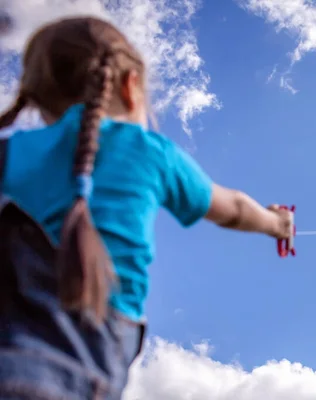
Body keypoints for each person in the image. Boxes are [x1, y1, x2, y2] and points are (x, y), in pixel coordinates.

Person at [0, 16, 292, 399]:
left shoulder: (10, 153)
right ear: (130, 85)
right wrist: (277, 223)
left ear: (35, 100)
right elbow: (235, 208)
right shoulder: (151, 153)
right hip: (82, 365)